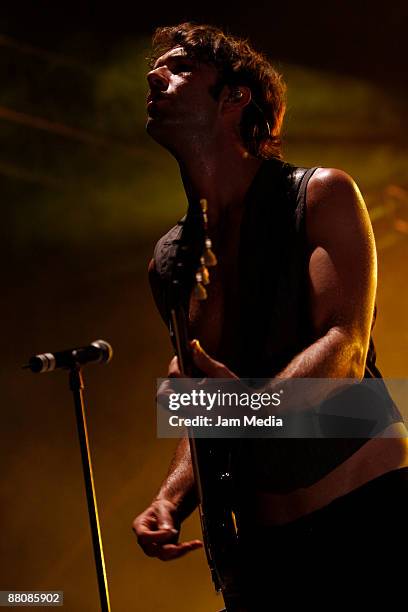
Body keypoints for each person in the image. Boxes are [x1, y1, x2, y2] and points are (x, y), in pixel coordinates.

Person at [133, 23, 408, 610]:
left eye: (181, 68)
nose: (155, 76)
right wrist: (170, 499)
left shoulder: (321, 194)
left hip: (367, 524)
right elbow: (208, 406)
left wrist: (244, 406)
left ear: (235, 97)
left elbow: (346, 348)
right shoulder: (169, 261)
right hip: (261, 552)